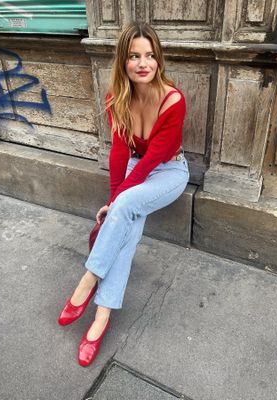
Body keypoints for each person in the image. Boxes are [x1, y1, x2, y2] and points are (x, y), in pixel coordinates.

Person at [57, 21, 190, 367]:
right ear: (123, 61)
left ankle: (87, 280)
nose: (143, 63)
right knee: (126, 234)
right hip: (136, 167)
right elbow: (119, 153)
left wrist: (118, 201)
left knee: (126, 205)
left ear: (158, 60)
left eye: (149, 55)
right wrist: (114, 196)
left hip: (169, 170)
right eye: (134, 56)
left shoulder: (173, 101)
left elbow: (152, 162)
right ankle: (101, 319)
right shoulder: (117, 97)